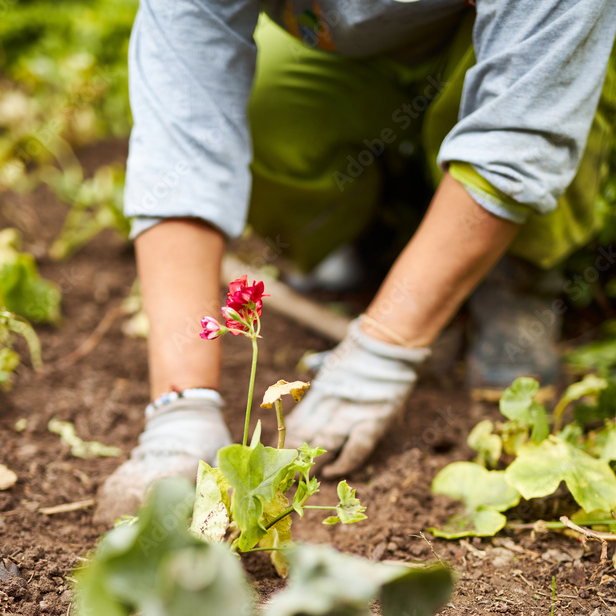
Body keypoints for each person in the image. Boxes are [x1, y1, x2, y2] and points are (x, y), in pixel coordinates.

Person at [94, 0, 616, 524]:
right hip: (360, 55)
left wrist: (382, 353)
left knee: (568, 76)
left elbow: (521, 133)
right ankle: (375, 230)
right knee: (270, 103)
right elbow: (183, 125)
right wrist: (181, 408)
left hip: (525, 46)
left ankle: (514, 273)